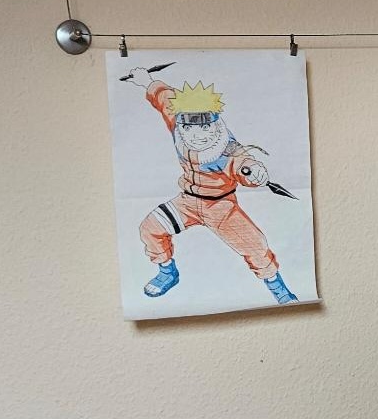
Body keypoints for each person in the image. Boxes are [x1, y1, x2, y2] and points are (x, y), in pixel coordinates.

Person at [123, 67, 298, 305]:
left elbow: (243, 163)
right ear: (181, 124)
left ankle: (280, 290)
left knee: (255, 246)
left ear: (215, 124)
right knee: (150, 228)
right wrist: (147, 81)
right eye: (190, 128)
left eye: (205, 127)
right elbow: (165, 98)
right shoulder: (178, 123)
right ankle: (167, 272)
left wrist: (254, 172)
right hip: (187, 202)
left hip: (221, 208)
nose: (198, 136)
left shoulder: (226, 147)